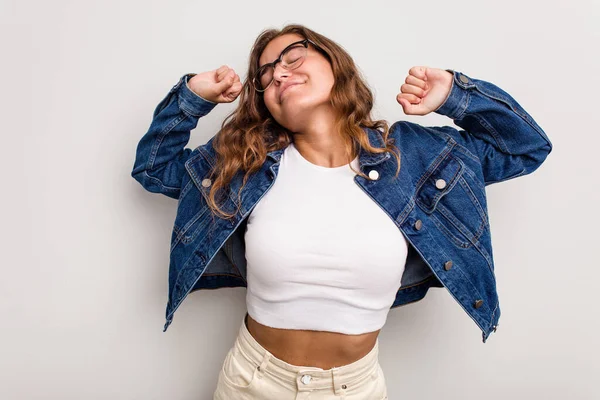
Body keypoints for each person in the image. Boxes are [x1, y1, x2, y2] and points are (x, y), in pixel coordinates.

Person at [131, 24, 552, 400]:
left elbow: (525, 148)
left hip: (355, 388)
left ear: (334, 64)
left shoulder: (415, 158)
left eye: (292, 56)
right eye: (264, 76)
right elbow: (154, 168)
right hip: (251, 381)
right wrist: (191, 99)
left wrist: (456, 97)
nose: (277, 73)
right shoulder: (246, 165)